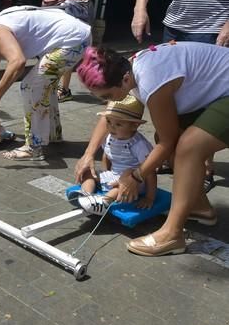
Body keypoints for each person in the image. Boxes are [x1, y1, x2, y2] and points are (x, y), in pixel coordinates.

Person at [75, 42, 228, 256]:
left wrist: (137, 176)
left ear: (125, 80)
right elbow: (110, 115)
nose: (107, 101)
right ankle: (200, 208)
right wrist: (88, 154)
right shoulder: (128, 71)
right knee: (171, 139)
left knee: (188, 146)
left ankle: (172, 235)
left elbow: (167, 142)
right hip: (217, 91)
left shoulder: (150, 80)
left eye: (107, 95)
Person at [0, 5, 91, 161]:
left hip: (72, 41)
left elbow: (18, 62)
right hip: (78, 36)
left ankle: (34, 146)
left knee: (31, 86)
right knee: (44, 86)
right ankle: (52, 135)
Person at [74, 96, 157, 215]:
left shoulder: (139, 144)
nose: (111, 127)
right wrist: (105, 175)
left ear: (134, 126)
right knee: (88, 172)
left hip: (136, 181)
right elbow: (107, 155)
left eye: (118, 124)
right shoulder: (109, 137)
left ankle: (104, 201)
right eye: (108, 121)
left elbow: (150, 171)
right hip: (114, 175)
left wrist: (150, 197)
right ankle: (86, 195)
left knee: (127, 173)